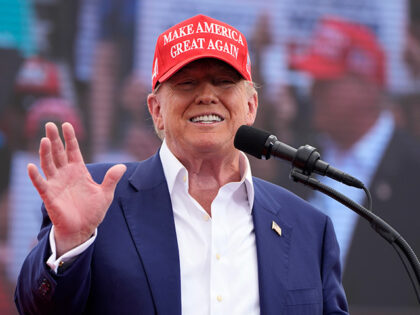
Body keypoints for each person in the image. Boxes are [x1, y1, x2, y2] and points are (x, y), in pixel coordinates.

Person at [15, 14, 348, 314]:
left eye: (223, 81)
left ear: (251, 106)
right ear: (156, 110)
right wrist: (71, 243)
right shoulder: (99, 197)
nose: (206, 95)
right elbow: (36, 308)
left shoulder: (308, 226)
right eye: (186, 83)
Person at [289, 16, 420, 311]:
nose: (312, 92)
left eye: (325, 82)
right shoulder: (300, 159)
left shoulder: (413, 172)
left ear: (366, 86)